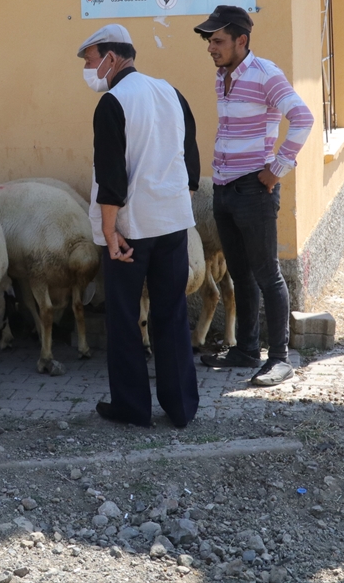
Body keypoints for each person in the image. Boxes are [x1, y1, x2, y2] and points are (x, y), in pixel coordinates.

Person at [79, 24, 201, 428]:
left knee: (124, 318)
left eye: (90, 59)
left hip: (130, 231)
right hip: (172, 223)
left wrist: (110, 233)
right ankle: (181, 406)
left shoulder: (113, 103)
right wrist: (179, 203)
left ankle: (132, 407)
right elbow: (191, 160)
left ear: (112, 58)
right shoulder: (171, 92)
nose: (88, 68)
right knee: (172, 312)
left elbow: (111, 176)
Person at [193, 6, 314, 387]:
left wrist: (277, 168)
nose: (211, 47)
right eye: (210, 41)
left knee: (267, 275)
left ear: (241, 41)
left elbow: (303, 118)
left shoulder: (265, 74)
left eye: (218, 41)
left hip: (254, 190)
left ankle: (279, 358)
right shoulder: (222, 77)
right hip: (225, 189)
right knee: (240, 274)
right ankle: (246, 350)